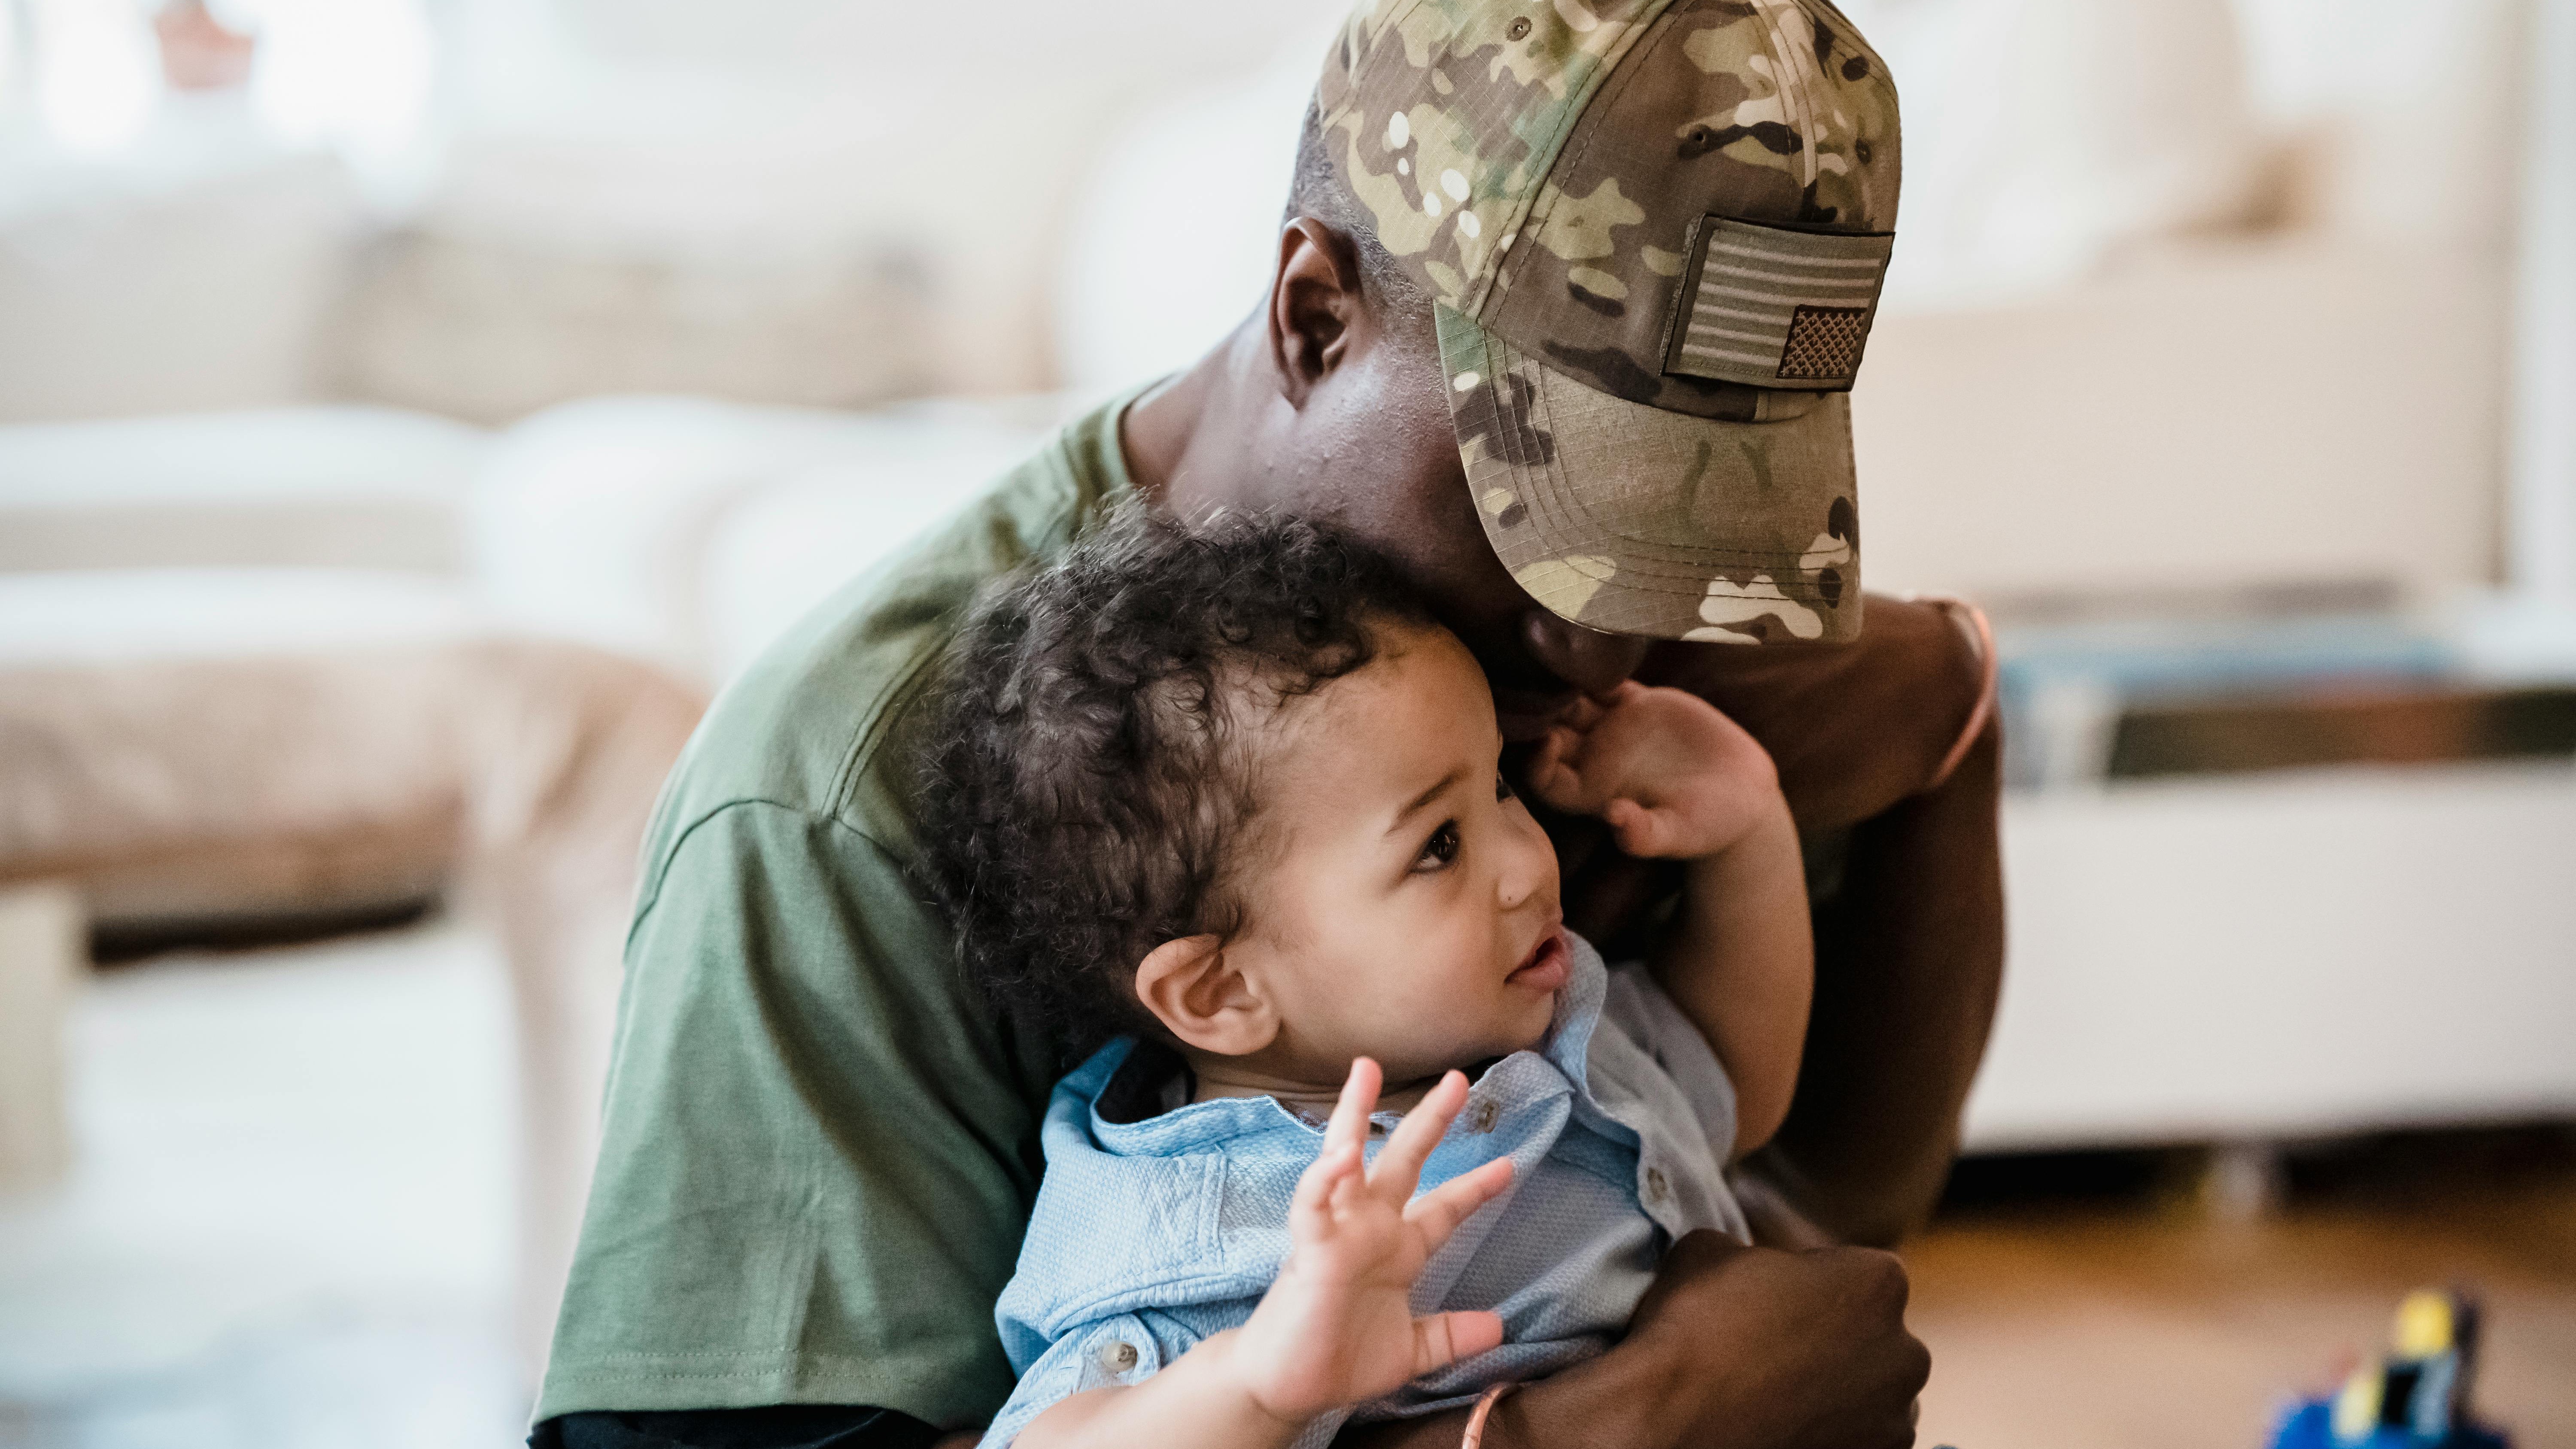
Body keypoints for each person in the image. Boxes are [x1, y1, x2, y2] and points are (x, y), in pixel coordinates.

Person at [533, 1, 1999, 1446]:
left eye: (1678, 535)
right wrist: (1594, 1434)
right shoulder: (836, 806)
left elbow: (1816, 1229)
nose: (1606, 636)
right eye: (1546, 519)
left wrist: (1953, 721)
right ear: (1315, 314)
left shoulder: (1609, 697)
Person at [924, 509, 1815, 1449]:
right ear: (1221, 993)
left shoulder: (1527, 1016)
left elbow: (1728, 1085)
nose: (1527, 863)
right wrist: (1258, 1381)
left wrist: (1750, 828)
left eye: (1500, 785)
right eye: (1439, 844)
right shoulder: (1198, 1225)